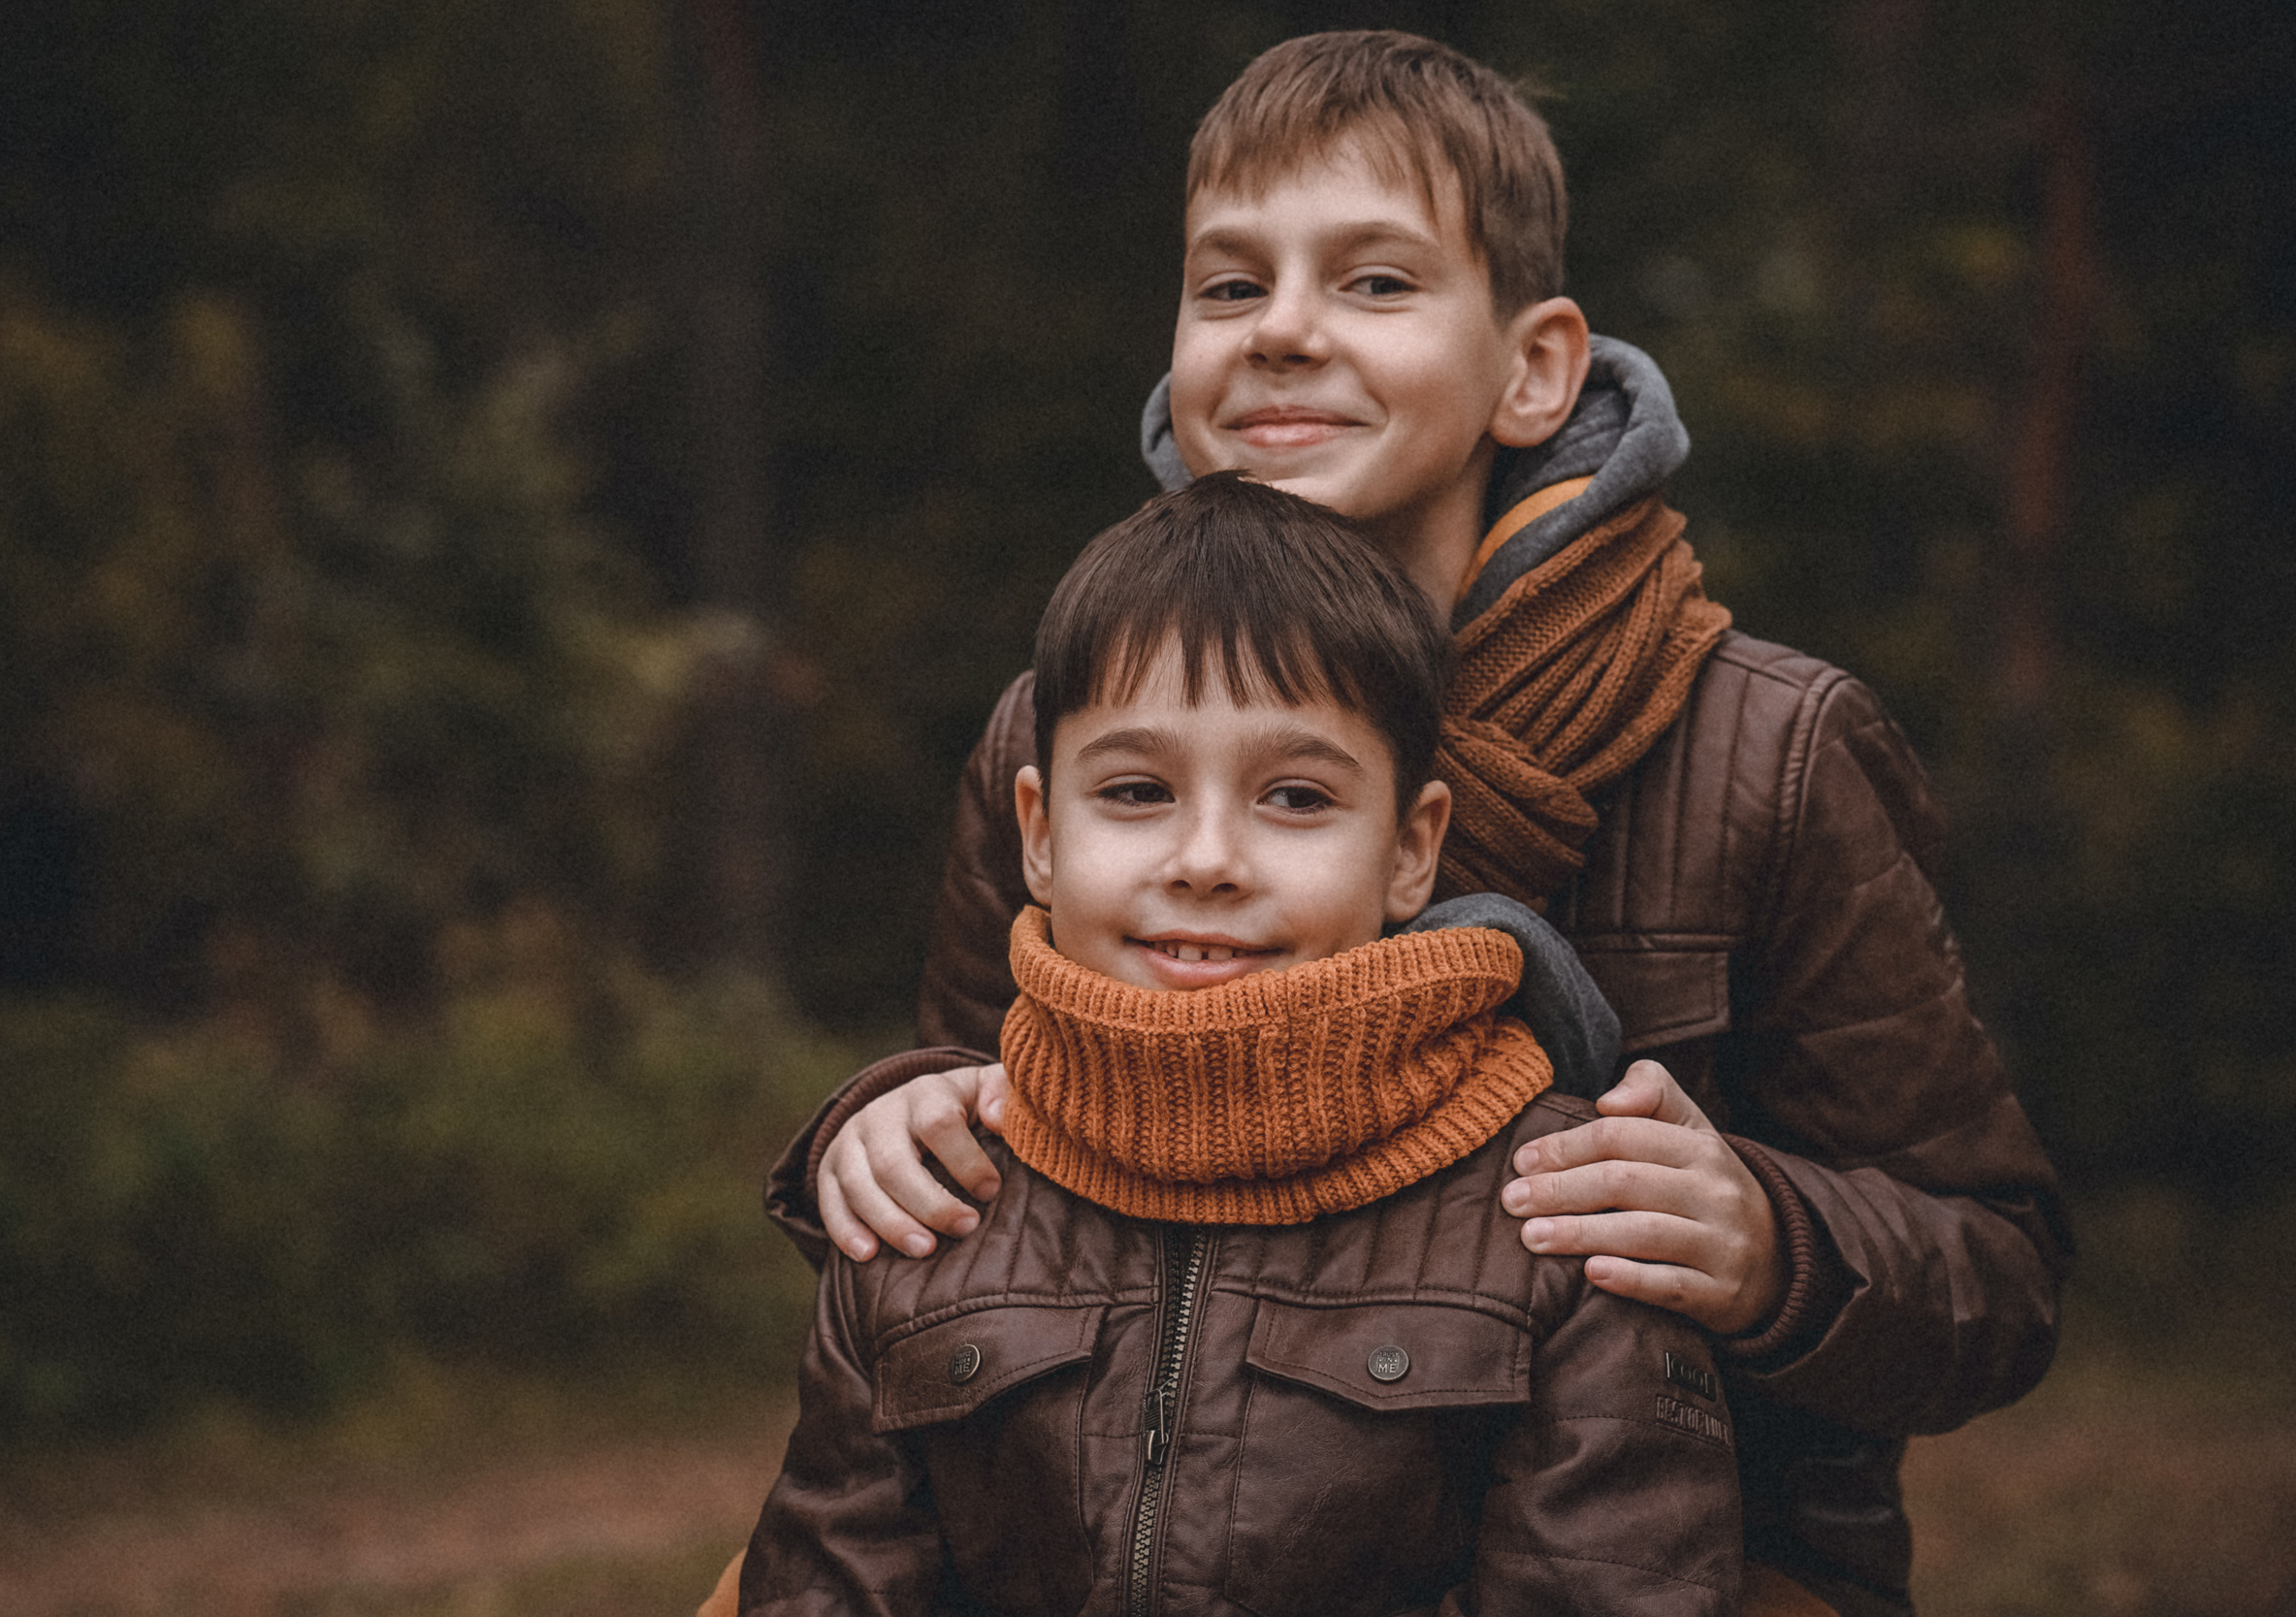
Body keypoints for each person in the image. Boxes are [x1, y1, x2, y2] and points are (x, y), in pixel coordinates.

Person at [764, 30, 2068, 1617]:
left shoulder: (1764, 747)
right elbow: (1015, 1145)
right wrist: (891, 1116)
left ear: (1535, 368)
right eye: (1231, 287)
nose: (1286, 333)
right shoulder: (1065, 725)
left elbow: (1999, 1273)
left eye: (1374, 284)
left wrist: (1771, 1237)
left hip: (1694, 1560)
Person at [742, 474, 1741, 1617]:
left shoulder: (1565, 1211)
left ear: (1412, 850)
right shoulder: (932, 1201)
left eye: (1297, 797)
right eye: (1134, 789)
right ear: (1038, 833)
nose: (1206, 856)